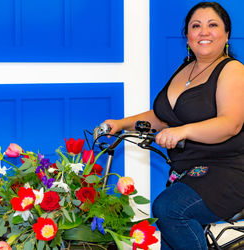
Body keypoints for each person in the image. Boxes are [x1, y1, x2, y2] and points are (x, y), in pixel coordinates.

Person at [103, 2, 244, 249]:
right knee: (169, 228)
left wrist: (183, 131)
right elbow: (164, 116)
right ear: (187, 35)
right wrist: (120, 124)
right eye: (196, 26)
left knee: (169, 209)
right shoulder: (186, 69)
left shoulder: (232, 70)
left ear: (226, 34)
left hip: (227, 169)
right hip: (185, 171)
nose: (204, 31)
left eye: (213, 25)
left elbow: (230, 124)